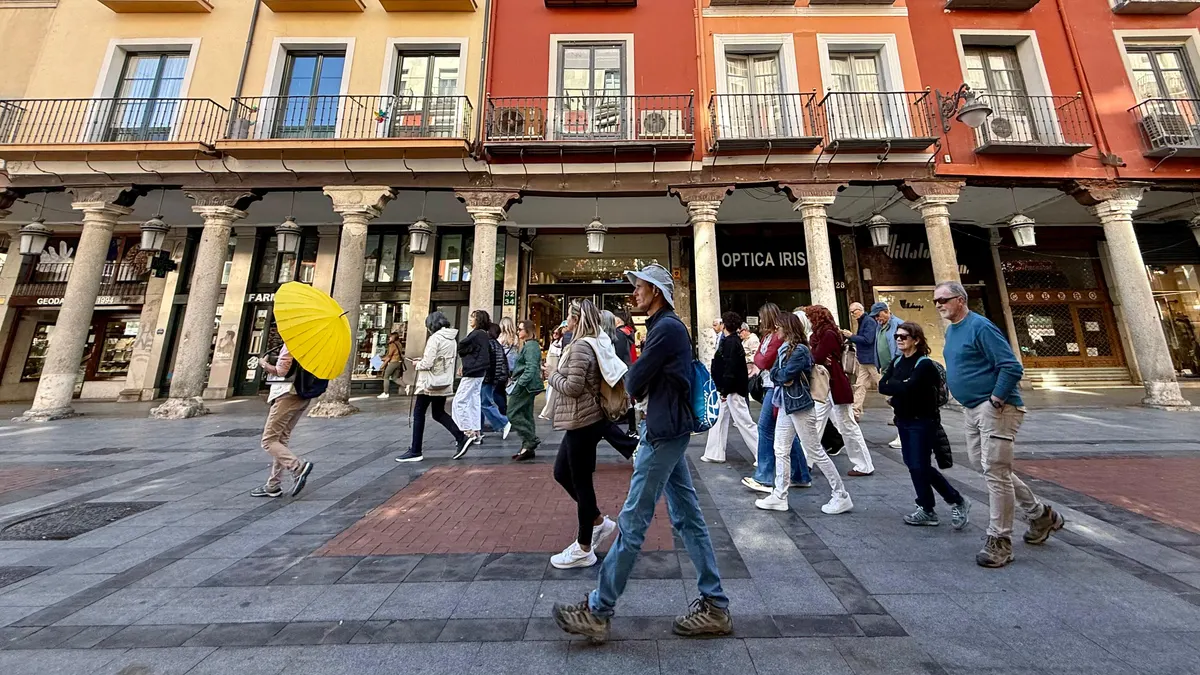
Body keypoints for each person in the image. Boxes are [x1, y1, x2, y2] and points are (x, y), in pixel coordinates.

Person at [553, 263, 731, 643]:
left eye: (641, 286)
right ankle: (715, 605)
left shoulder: (665, 329)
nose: (634, 292)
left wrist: (640, 378)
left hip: (663, 432)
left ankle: (598, 610)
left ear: (658, 292)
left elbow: (633, 380)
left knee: (633, 522)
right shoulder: (665, 327)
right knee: (687, 518)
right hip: (670, 428)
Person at [936, 281, 1064, 568]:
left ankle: (1000, 540)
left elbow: (1011, 365)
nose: (939, 304)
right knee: (989, 467)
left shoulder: (981, 326)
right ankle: (1040, 514)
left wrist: (996, 398)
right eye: (936, 301)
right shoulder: (952, 331)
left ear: (960, 300)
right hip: (971, 409)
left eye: (944, 299)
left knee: (995, 471)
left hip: (995, 407)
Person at [755, 312, 852, 515]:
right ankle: (779, 495)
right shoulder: (785, 348)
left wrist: (776, 373)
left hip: (799, 405)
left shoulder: (799, 350)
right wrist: (777, 374)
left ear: (788, 328)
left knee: (815, 450)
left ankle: (840, 494)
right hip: (784, 403)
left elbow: (781, 374)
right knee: (780, 448)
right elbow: (777, 374)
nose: (776, 330)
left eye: (779, 326)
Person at [547, 300, 620, 569]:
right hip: (583, 420)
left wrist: (552, 375)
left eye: (569, 316)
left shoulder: (580, 347)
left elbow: (574, 387)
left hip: (582, 419)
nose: (566, 321)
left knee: (580, 481)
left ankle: (584, 546)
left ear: (577, 320)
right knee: (562, 473)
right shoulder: (594, 342)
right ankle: (598, 521)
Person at [878, 321, 970, 528]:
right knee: (914, 466)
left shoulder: (924, 364)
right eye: (897, 337)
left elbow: (909, 388)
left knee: (920, 465)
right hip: (903, 420)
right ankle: (928, 508)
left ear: (916, 340)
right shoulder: (898, 362)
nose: (899, 340)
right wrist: (899, 387)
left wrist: (899, 387)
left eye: (904, 337)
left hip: (923, 421)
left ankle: (954, 500)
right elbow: (882, 386)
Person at [741, 303, 811, 495]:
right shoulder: (766, 337)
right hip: (770, 385)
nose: (761, 320)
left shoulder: (778, 338)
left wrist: (760, 359)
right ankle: (801, 475)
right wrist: (759, 358)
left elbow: (763, 360)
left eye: (762, 317)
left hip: (776, 387)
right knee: (788, 432)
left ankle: (764, 477)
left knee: (765, 428)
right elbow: (758, 357)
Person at [806, 305, 875, 477]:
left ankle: (864, 464)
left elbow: (818, 356)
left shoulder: (828, 334)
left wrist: (813, 351)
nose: (807, 320)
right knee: (816, 421)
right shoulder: (823, 333)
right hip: (827, 384)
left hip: (835, 384)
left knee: (847, 424)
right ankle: (806, 462)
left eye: (809, 317)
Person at [395, 312, 468, 463]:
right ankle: (461, 437)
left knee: (419, 413)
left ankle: (416, 450)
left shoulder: (435, 338)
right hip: (442, 382)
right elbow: (440, 361)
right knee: (438, 412)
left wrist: (417, 363)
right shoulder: (451, 339)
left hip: (429, 383)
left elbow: (428, 363)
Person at [251, 341, 315, 498]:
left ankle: (297, 467)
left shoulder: (293, 343)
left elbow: (281, 371)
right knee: (281, 440)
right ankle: (273, 484)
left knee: (269, 440)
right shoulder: (313, 345)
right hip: (302, 395)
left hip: (286, 395)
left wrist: (264, 364)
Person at [701, 311, 758, 464]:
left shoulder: (730, 342)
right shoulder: (732, 341)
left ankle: (762, 455)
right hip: (729, 388)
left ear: (725, 325)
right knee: (720, 419)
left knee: (744, 422)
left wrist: (724, 390)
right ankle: (714, 452)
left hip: (731, 389)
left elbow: (729, 368)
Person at [451, 309, 492, 458]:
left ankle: (466, 431)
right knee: (474, 400)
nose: (470, 319)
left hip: (473, 371)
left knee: (459, 401)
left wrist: (465, 363)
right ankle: (476, 431)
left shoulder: (476, 334)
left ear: (478, 319)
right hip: (480, 372)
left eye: (473, 317)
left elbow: (462, 346)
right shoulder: (484, 335)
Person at [870, 302, 905, 449]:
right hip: (886, 370)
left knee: (900, 405)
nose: (877, 319)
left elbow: (903, 347)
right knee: (892, 403)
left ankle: (903, 436)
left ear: (886, 311)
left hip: (896, 370)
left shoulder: (899, 325)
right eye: (875, 317)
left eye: (878, 315)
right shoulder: (880, 327)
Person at [508, 320, 543, 462]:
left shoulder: (531, 347)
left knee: (512, 413)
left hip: (525, 386)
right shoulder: (530, 346)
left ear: (528, 331)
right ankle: (528, 447)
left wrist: (519, 384)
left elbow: (531, 367)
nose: (518, 331)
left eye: (521, 329)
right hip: (527, 385)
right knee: (526, 414)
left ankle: (530, 440)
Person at [842, 302, 880, 420]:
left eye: (854, 312)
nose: (852, 315)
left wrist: (851, 336)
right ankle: (855, 412)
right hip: (864, 360)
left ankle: (898, 410)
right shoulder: (864, 321)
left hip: (870, 360)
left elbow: (868, 340)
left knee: (882, 384)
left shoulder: (868, 321)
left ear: (860, 310)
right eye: (851, 312)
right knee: (860, 385)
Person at [481, 323, 512, 440]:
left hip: (488, 378)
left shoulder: (490, 344)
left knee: (485, 403)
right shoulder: (497, 344)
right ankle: (478, 429)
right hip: (494, 378)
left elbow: (491, 364)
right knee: (482, 403)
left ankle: (503, 422)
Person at [539, 325, 565, 420]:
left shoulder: (558, 345)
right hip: (552, 370)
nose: (554, 335)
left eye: (556, 333)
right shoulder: (553, 343)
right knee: (550, 391)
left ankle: (548, 411)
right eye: (553, 333)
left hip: (554, 370)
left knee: (551, 391)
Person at [496, 317, 520, 416]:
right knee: (505, 389)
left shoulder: (500, 337)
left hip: (502, 367)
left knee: (498, 391)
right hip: (512, 367)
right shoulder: (515, 337)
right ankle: (507, 410)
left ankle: (503, 412)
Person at [377, 332, 404, 399]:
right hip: (398, 362)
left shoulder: (392, 345)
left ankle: (385, 393)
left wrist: (382, 364)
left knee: (386, 377)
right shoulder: (399, 344)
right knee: (395, 378)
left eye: (390, 337)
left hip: (393, 362)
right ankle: (407, 386)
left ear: (393, 337)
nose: (389, 338)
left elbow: (389, 357)